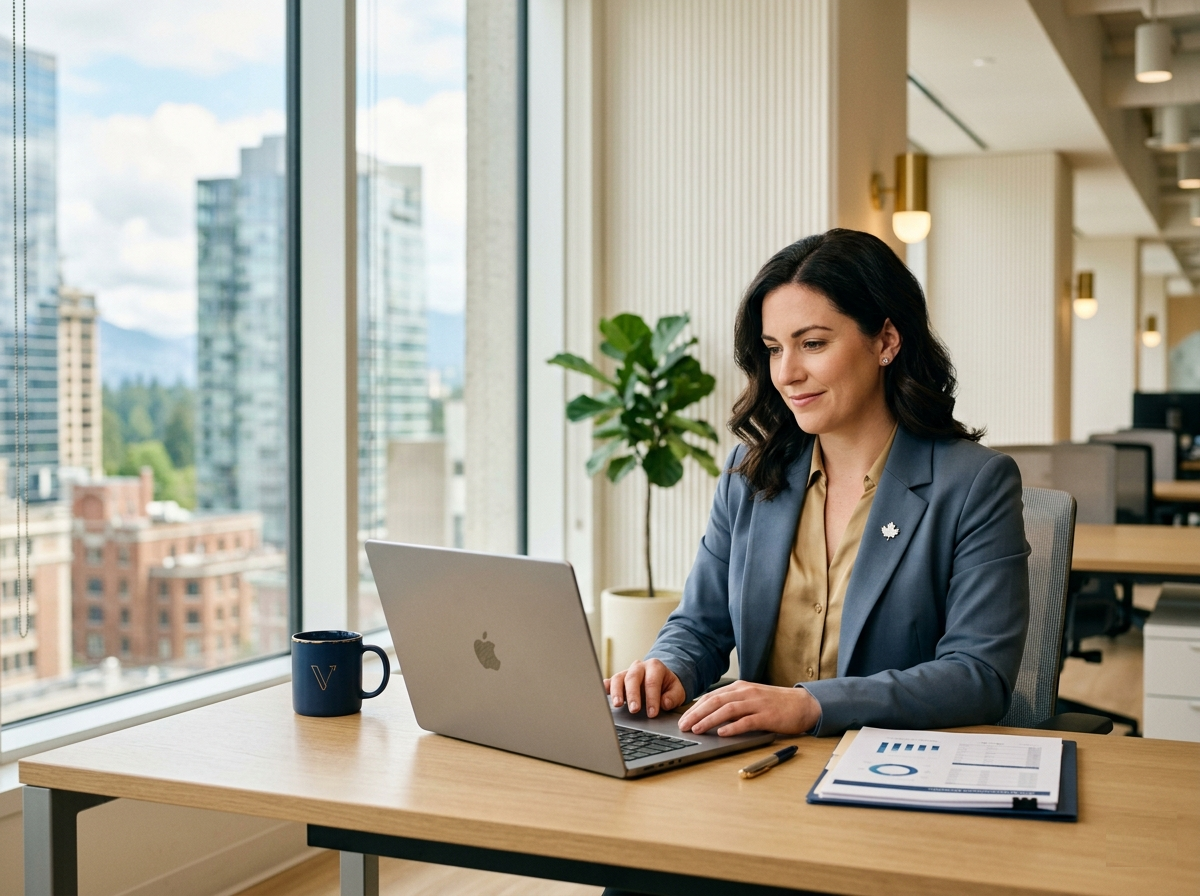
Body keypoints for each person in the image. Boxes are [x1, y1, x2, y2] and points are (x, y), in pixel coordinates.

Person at [605, 228, 1029, 740]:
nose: (787, 373)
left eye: (812, 344)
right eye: (772, 348)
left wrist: (810, 706)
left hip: (893, 773)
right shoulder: (750, 472)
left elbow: (977, 676)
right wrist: (667, 668)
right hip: (753, 768)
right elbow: (700, 624)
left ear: (886, 342)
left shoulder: (974, 484)